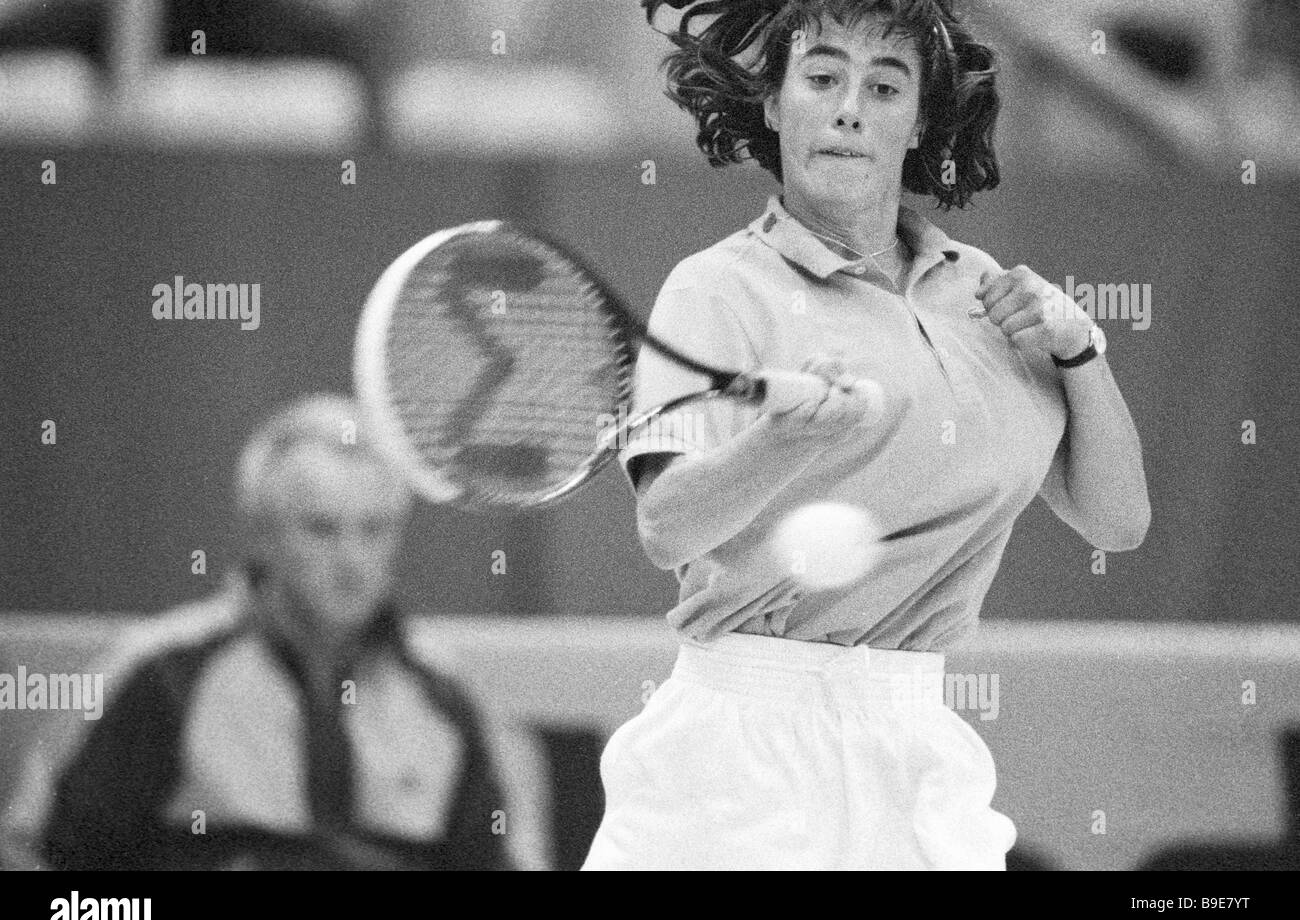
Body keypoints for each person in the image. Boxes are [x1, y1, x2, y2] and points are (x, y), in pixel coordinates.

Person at [583, 0, 1150, 870]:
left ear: (919, 120)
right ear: (774, 104)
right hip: (738, 751)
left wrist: (1080, 350)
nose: (850, 106)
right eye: (822, 78)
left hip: (917, 738)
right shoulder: (714, 290)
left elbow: (1118, 522)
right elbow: (668, 528)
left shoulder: (988, 296)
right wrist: (787, 441)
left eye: (884, 86)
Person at [31, 394, 515, 870]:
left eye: (375, 529)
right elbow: (48, 866)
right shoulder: (163, 676)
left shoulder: (449, 694)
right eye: (321, 529)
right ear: (259, 534)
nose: (352, 559)